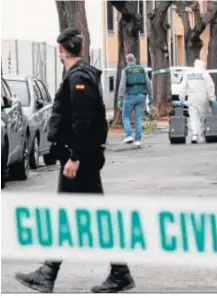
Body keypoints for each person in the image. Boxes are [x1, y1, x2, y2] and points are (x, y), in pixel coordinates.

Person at [14, 27, 135, 294]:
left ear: (61, 50)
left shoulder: (78, 78)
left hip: (79, 162)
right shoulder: (79, 75)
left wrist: (75, 157)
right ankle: (112, 272)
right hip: (80, 160)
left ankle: (116, 272)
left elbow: (83, 122)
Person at [178, 59, 217, 144]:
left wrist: (181, 99)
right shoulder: (205, 74)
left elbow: (183, 87)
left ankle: (194, 135)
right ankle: (201, 135)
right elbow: (210, 87)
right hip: (203, 98)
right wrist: (213, 99)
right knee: (203, 117)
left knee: (193, 117)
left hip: (192, 97)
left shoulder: (188, 74)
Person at [118, 53, 153, 147]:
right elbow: (148, 83)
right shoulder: (142, 69)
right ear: (135, 59)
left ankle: (129, 135)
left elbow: (122, 86)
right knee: (138, 118)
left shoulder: (126, 70)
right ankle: (138, 140)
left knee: (125, 116)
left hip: (130, 96)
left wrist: (120, 98)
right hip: (142, 96)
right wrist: (150, 96)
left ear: (127, 61)